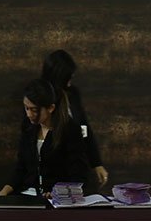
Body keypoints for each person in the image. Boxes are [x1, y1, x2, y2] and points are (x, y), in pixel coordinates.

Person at [0, 78, 92, 197]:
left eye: (34, 110)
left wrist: (60, 193)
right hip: (27, 194)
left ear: (50, 108)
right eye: (26, 108)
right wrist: (7, 189)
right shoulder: (28, 127)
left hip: (56, 197)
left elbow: (78, 172)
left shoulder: (69, 130)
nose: (29, 114)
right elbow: (21, 166)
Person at [41, 49, 109, 187]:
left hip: (78, 165)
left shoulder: (73, 93)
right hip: (52, 168)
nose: (71, 78)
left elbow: (85, 127)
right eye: (67, 76)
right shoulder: (41, 96)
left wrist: (96, 163)